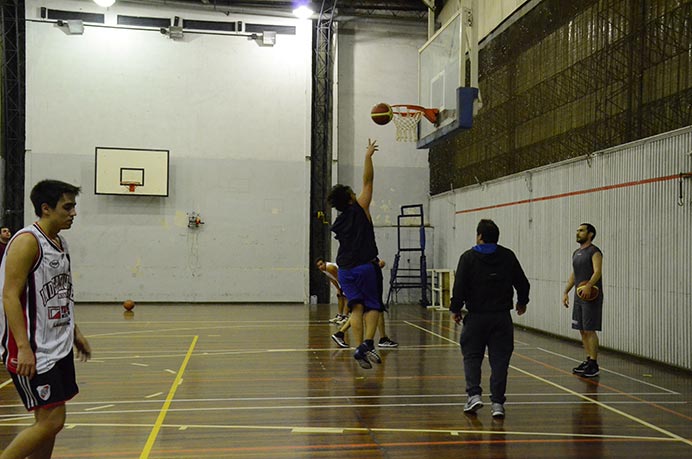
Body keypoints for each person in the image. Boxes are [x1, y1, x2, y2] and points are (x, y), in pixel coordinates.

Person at [0, 179, 92, 459]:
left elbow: (59, 295)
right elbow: (9, 296)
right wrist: (23, 348)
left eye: (73, 206)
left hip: (56, 343)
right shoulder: (28, 242)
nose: (73, 213)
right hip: (33, 348)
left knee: (46, 424)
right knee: (53, 420)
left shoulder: (59, 242)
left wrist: (74, 331)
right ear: (46, 208)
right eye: (68, 207)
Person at [449, 219, 529, 419]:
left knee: (472, 356)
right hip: (501, 318)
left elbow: (459, 287)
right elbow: (523, 283)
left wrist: (455, 309)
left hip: (476, 317)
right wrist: (522, 302)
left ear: (479, 236)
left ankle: (474, 395)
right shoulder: (508, 256)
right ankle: (497, 403)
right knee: (500, 361)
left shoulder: (468, 257)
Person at [327, 138, 383, 369]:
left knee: (356, 308)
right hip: (364, 267)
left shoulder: (338, 223)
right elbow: (368, 181)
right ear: (351, 197)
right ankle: (368, 343)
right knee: (373, 307)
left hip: (345, 270)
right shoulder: (360, 208)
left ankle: (359, 346)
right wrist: (368, 156)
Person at [562, 223, 603, 378]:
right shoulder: (576, 253)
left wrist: (590, 285)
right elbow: (574, 274)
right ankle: (588, 359)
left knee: (589, 329)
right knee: (581, 329)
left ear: (590, 234)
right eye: (577, 230)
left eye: (581, 231)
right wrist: (566, 291)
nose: (578, 233)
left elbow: (598, 271)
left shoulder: (595, 251)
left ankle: (594, 363)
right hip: (579, 297)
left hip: (591, 295)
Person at [330, 259, 398, 349]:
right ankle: (376, 340)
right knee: (374, 307)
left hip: (352, 273)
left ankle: (341, 334)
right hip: (363, 274)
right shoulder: (331, 267)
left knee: (358, 309)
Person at [315, 257, 349, 324]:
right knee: (339, 296)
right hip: (341, 281)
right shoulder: (324, 270)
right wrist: (338, 289)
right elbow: (332, 279)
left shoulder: (330, 267)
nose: (320, 267)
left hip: (346, 279)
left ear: (325, 263)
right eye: (318, 266)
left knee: (345, 297)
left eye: (321, 264)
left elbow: (339, 277)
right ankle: (340, 315)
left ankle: (346, 317)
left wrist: (343, 288)